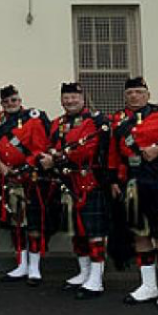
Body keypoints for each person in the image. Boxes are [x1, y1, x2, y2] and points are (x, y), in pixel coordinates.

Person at [109, 77, 158, 310]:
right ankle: (148, 286)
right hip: (131, 182)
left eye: (139, 91)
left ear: (148, 94)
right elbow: (113, 153)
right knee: (140, 235)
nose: (134, 96)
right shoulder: (118, 120)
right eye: (130, 92)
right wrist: (114, 179)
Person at [39, 82, 110, 299]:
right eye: (66, 97)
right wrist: (48, 156)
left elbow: (86, 150)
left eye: (74, 97)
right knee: (77, 230)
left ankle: (96, 279)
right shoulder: (58, 123)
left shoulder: (95, 121)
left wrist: (56, 158)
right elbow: (50, 144)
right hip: (66, 181)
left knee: (93, 232)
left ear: (83, 98)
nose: (69, 101)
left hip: (89, 182)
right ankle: (84, 272)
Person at [0, 85, 51, 286]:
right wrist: (1, 166)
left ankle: (34, 267)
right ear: (2, 104)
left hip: (29, 177)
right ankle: (21, 264)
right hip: (8, 178)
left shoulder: (32, 120)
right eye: (6, 102)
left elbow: (40, 149)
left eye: (14, 100)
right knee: (16, 224)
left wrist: (24, 168)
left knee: (32, 223)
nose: (10, 104)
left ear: (20, 100)